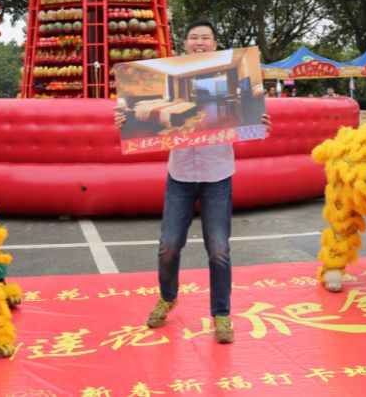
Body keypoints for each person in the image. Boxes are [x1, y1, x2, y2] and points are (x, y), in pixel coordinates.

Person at [115, 18, 271, 344]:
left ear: (215, 45)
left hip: (218, 176)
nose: (199, 42)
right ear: (184, 44)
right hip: (180, 177)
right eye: (193, 37)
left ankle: (222, 314)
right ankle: (168, 296)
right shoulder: (172, 77)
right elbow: (141, 122)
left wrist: (260, 120)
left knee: (219, 250)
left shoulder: (228, 83)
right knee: (168, 245)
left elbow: (248, 122)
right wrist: (125, 120)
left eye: (205, 38)